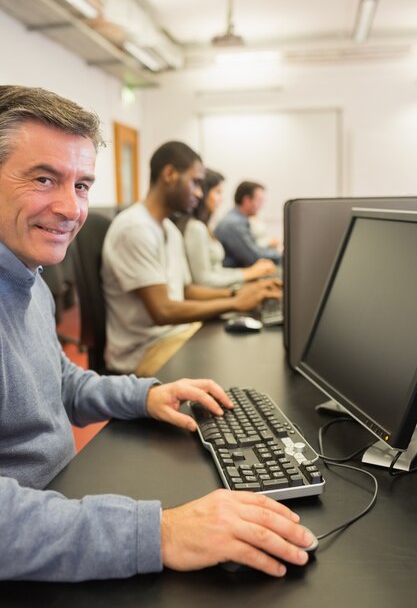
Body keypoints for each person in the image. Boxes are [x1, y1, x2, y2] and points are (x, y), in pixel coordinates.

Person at [0, 85, 315, 582]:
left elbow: (58, 382)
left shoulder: (27, 278)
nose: (71, 208)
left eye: (82, 185)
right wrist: (160, 532)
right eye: (44, 179)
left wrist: (147, 396)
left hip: (57, 502)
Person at [102, 143, 281, 376]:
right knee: (239, 369)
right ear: (169, 174)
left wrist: (240, 292)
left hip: (175, 335)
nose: (199, 193)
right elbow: (163, 311)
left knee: (250, 353)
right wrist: (235, 303)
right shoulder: (135, 229)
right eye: (195, 182)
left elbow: (186, 291)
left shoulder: (169, 229)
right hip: (144, 352)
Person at [173, 168, 277, 288]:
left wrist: (248, 273)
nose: (221, 199)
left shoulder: (205, 226)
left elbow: (216, 270)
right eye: (218, 192)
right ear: (204, 193)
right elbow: (203, 281)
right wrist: (247, 273)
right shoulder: (196, 228)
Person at [215, 181, 283, 268]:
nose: (262, 206)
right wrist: (282, 254)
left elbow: (254, 250)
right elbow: (254, 257)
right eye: (259, 201)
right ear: (247, 200)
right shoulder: (234, 224)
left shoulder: (238, 219)